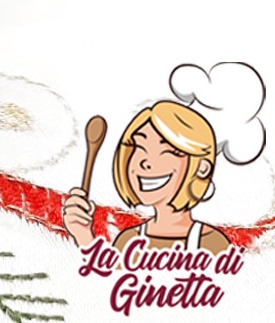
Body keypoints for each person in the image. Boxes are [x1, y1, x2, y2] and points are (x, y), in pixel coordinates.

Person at [63, 101, 232, 255]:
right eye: (139, 147)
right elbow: (107, 284)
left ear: (202, 168)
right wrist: (83, 235)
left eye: (167, 151)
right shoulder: (129, 241)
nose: (145, 162)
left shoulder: (211, 244)